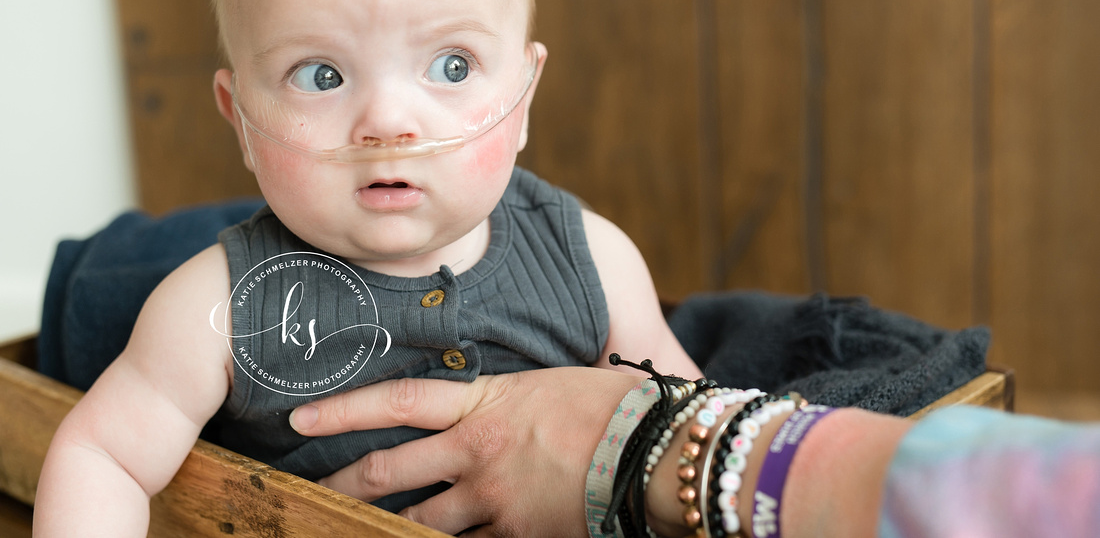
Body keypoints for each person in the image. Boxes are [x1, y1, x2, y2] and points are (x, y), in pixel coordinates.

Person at [34, 0, 700, 535]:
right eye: (320, 75)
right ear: (241, 120)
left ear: (524, 98)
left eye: (451, 66)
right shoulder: (219, 309)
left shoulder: (590, 263)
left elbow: (690, 425)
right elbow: (104, 454)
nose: (387, 121)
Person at [287, 366, 1100, 538]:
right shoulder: (223, 291)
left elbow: (672, 371)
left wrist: (655, 442)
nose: (389, 124)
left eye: (455, 65)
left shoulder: (577, 243)